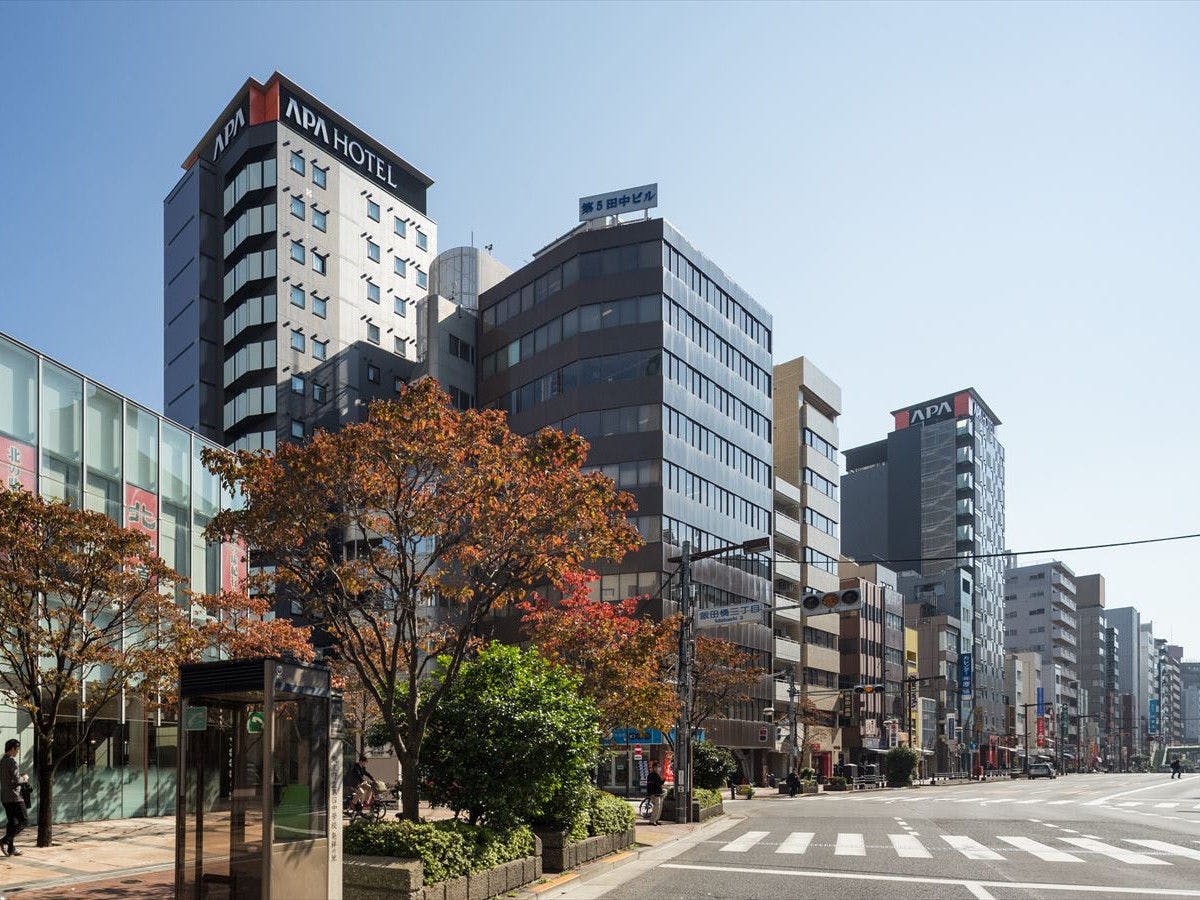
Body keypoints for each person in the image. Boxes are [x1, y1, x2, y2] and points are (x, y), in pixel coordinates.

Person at [2, 739, 27, 857]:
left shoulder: (2, 761)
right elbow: (17, 780)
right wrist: (25, 778)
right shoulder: (12, 762)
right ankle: (4, 840)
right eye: (17, 749)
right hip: (15, 797)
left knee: (12, 822)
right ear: (12, 749)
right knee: (24, 821)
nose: (17, 752)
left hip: (5, 797)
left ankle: (11, 849)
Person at [645, 760, 665, 826]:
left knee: (659, 808)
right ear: (653, 768)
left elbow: (660, 783)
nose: (658, 768)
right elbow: (649, 786)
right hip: (654, 794)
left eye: (659, 767)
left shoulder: (657, 775)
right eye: (656, 767)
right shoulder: (651, 775)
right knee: (656, 807)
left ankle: (656, 820)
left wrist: (663, 779)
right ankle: (652, 821)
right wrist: (651, 794)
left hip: (659, 793)